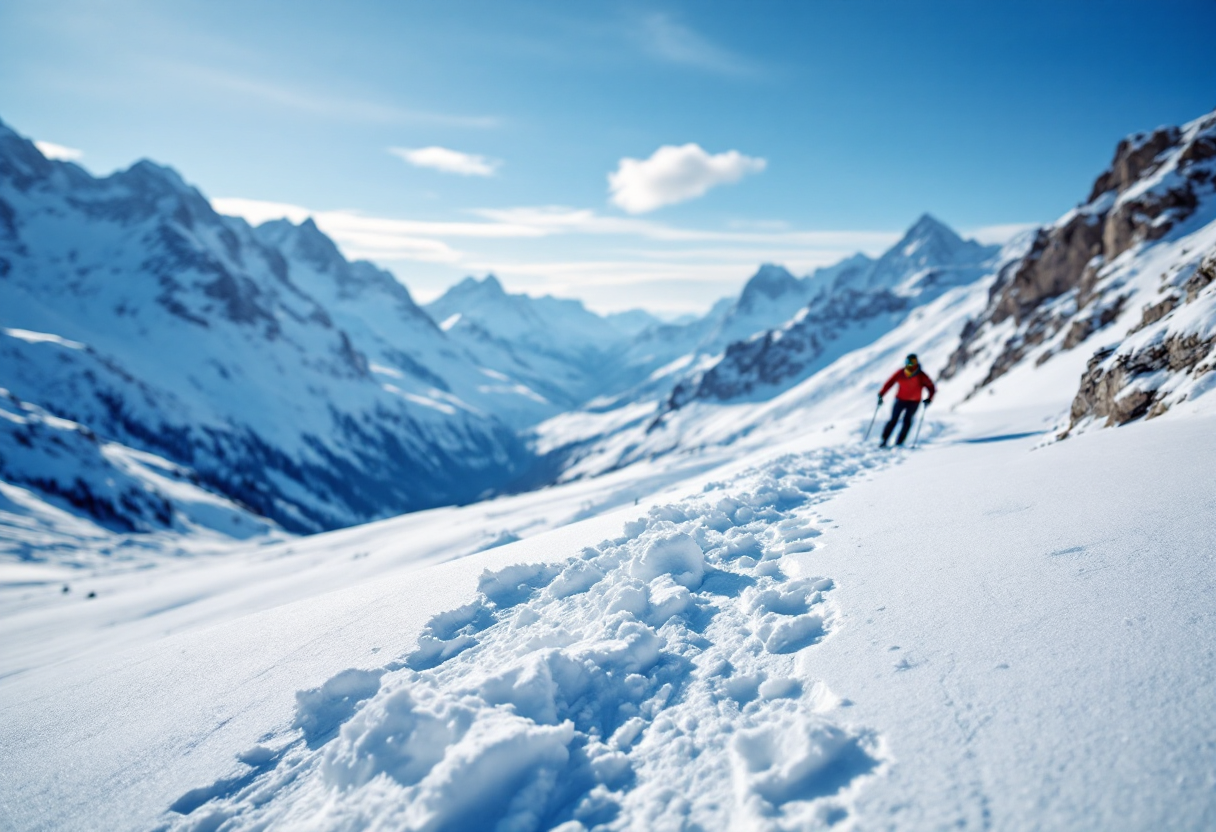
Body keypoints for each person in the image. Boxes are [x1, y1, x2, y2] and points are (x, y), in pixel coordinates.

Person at [878, 353, 935, 447]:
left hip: (914, 402)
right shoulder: (900, 373)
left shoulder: (921, 375)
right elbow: (890, 383)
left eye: (913, 362)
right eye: (908, 362)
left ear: (916, 362)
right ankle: (884, 440)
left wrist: (929, 398)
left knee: (907, 421)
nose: (910, 364)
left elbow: (931, 387)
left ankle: (899, 442)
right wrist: (881, 394)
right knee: (893, 420)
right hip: (900, 400)